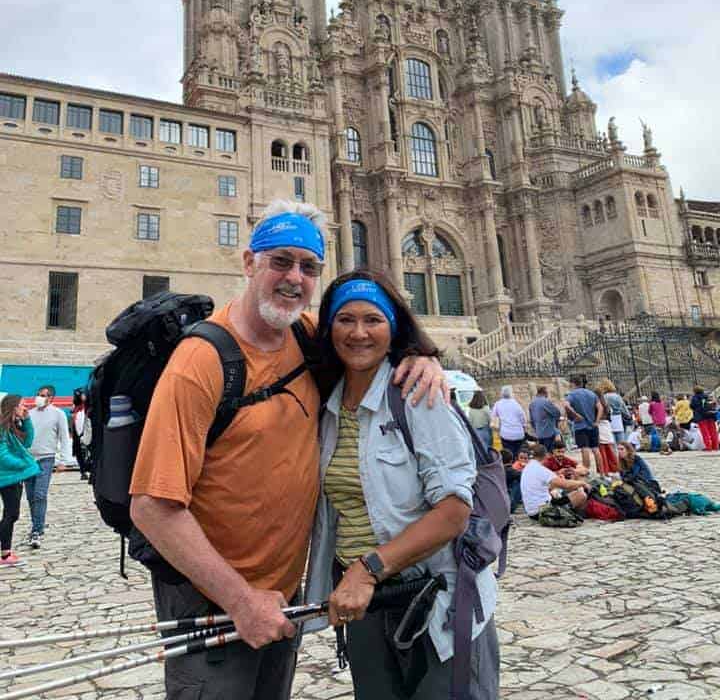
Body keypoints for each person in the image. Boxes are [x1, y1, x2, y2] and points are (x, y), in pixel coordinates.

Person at [129, 201, 445, 700]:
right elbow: (152, 506)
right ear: (248, 262)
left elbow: (372, 331)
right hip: (211, 596)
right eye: (280, 260)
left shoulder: (305, 333)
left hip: (279, 592)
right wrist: (240, 600)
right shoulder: (201, 360)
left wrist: (424, 357)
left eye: (308, 266)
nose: (294, 277)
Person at [305, 269, 501, 700]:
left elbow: (453, 511)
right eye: (345, 320)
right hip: (367, 608)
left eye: (373, 320)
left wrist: (368, 568)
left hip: (434, 600)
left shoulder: (418, 393)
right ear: (329, 328)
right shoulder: (327, 403)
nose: (359, 332)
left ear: (393, 328)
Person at [25, 383, 72, 548]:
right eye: (38, 394)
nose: (39, 397)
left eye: (43, 395)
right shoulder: (29, 414)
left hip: (46, 458)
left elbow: (64, 437)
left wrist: (63, 461)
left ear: (51, 398)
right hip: (29, 460)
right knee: (31, 496)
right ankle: (37, 523)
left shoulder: (58, 414)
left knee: (40, 494)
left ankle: (37, 531)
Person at [0, 393, 40, 566]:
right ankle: (5, 554)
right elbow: (2, 454)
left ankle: (5, 551)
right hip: (8, 476)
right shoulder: (2, 427)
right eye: (22, 405)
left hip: (14, 476)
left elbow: (28, 442)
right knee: (11, 514)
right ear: (13, 406)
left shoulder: (15, 424)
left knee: (10, 514)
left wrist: (27, 421)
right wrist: (22, 464)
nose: (25, 407)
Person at [520, 444, 588, 519]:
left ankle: (570, 512)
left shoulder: (527, 467)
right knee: (581, 495)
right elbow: (566, 485)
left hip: (532, 511)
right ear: (546, 455)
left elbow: (542, 486)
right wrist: (582, 483)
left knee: (562, 492)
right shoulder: (541, 469)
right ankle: (572, 514)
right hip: (543, 510)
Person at [564, 378, 603, 474]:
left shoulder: (572, 395)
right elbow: (600, 407)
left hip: (580, 426)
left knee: (584, 448)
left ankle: (586, 471)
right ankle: (601, 472)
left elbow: (566, 405)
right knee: (595, 449)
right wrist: (597, 421)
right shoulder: (591, 393)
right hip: (593, 425)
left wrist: (575, 415)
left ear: (573, 384)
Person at [491, 386, 527, 460]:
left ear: (501, 393)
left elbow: (493, 415)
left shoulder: (498, 404)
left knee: (508, 454)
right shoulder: (516, 404)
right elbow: (523, 418)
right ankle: (518, 465)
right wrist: (523, 427)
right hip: (518, 434)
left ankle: (511, 465)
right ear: (511, 393)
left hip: (506, 434)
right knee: (518, 453)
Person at [528, 386, 561, 451]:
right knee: (551, 452)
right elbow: (557, 413)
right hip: (548, 432)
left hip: (539, 433)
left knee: (542, 453)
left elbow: (531, 421)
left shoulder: (531, 404)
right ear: (545, 393)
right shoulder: (546, 402)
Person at [690, 385, 719, 451]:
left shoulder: (694, 398)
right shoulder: (708, 396)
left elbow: (692, 406)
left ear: (694, 391)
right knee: (713, 432)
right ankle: (716, 446)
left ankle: (709, 447)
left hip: (701, 417)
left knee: (705, 433)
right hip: (710, 415)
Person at [70, 389, 90, 481]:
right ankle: (83, 471)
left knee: (87, 451)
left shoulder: (87, 407)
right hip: (78, 433)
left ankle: (88, 470)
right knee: (79, 452)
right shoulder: (75, 409)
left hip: (86, 431)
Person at [501, 448, 522, 514]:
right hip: (509, 505)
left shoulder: (493, 472)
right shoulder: (511, 471)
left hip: (496, 504)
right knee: (519, 482)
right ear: (511, 460)